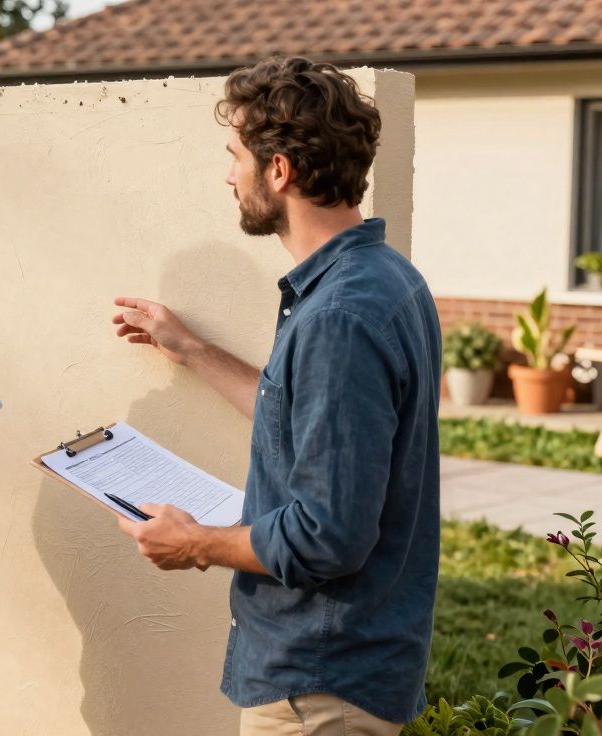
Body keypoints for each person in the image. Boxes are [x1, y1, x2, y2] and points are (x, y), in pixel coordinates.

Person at [111, 57, 441, 734]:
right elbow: (312, 426)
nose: (227, 174)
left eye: (235, 156)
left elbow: (329, 537)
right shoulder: (385, 280)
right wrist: (192, 350)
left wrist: (196, 543)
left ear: (280, 171)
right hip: (339, 672)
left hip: (318, 689)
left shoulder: (339, 318)